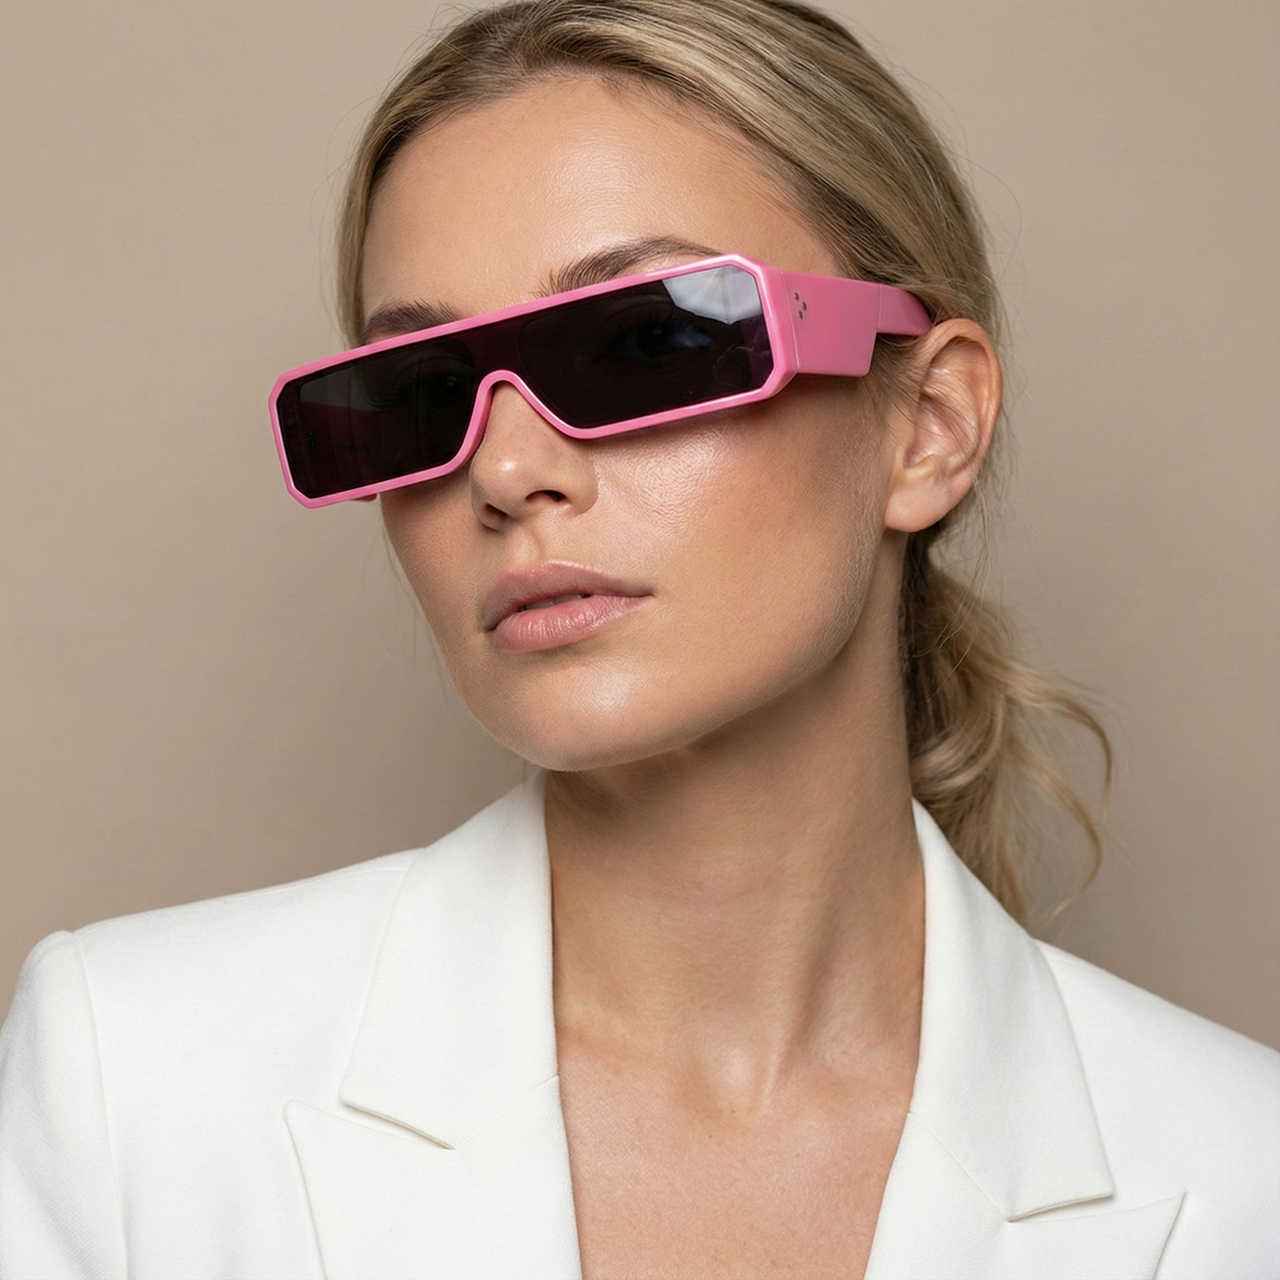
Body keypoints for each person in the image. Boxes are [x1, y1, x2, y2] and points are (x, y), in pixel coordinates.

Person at [0, 1, 1276, 1276]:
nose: (505, 469)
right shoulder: (129, 1079)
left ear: (926, 424)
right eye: (423, 393)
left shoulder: (1243, 1173)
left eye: (648, 341)